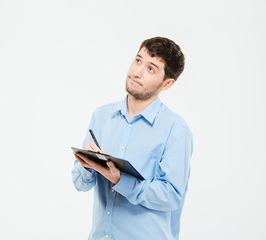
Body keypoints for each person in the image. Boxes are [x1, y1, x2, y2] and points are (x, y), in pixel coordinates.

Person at [71, 36, 193, 240]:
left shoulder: (175, 129)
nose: (137, 72)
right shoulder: (101, 116)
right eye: (138, 60)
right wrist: (87, 165)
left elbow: (171, 197)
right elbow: (79, 184)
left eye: (151, 68)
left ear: (167, 83)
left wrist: (119, 179)